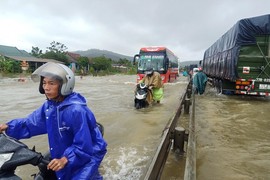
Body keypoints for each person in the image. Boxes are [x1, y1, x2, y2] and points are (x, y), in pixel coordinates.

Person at [0, 62, 107, 180]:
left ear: (64, 85)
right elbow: (31, 123)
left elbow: (84, 146)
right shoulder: (49, 106)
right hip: (67, 151)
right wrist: (7, 126)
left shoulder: (77, 110)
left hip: (89, 154)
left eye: (51, 83)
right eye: (44, 83)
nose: (46, 87)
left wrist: (65, 159)